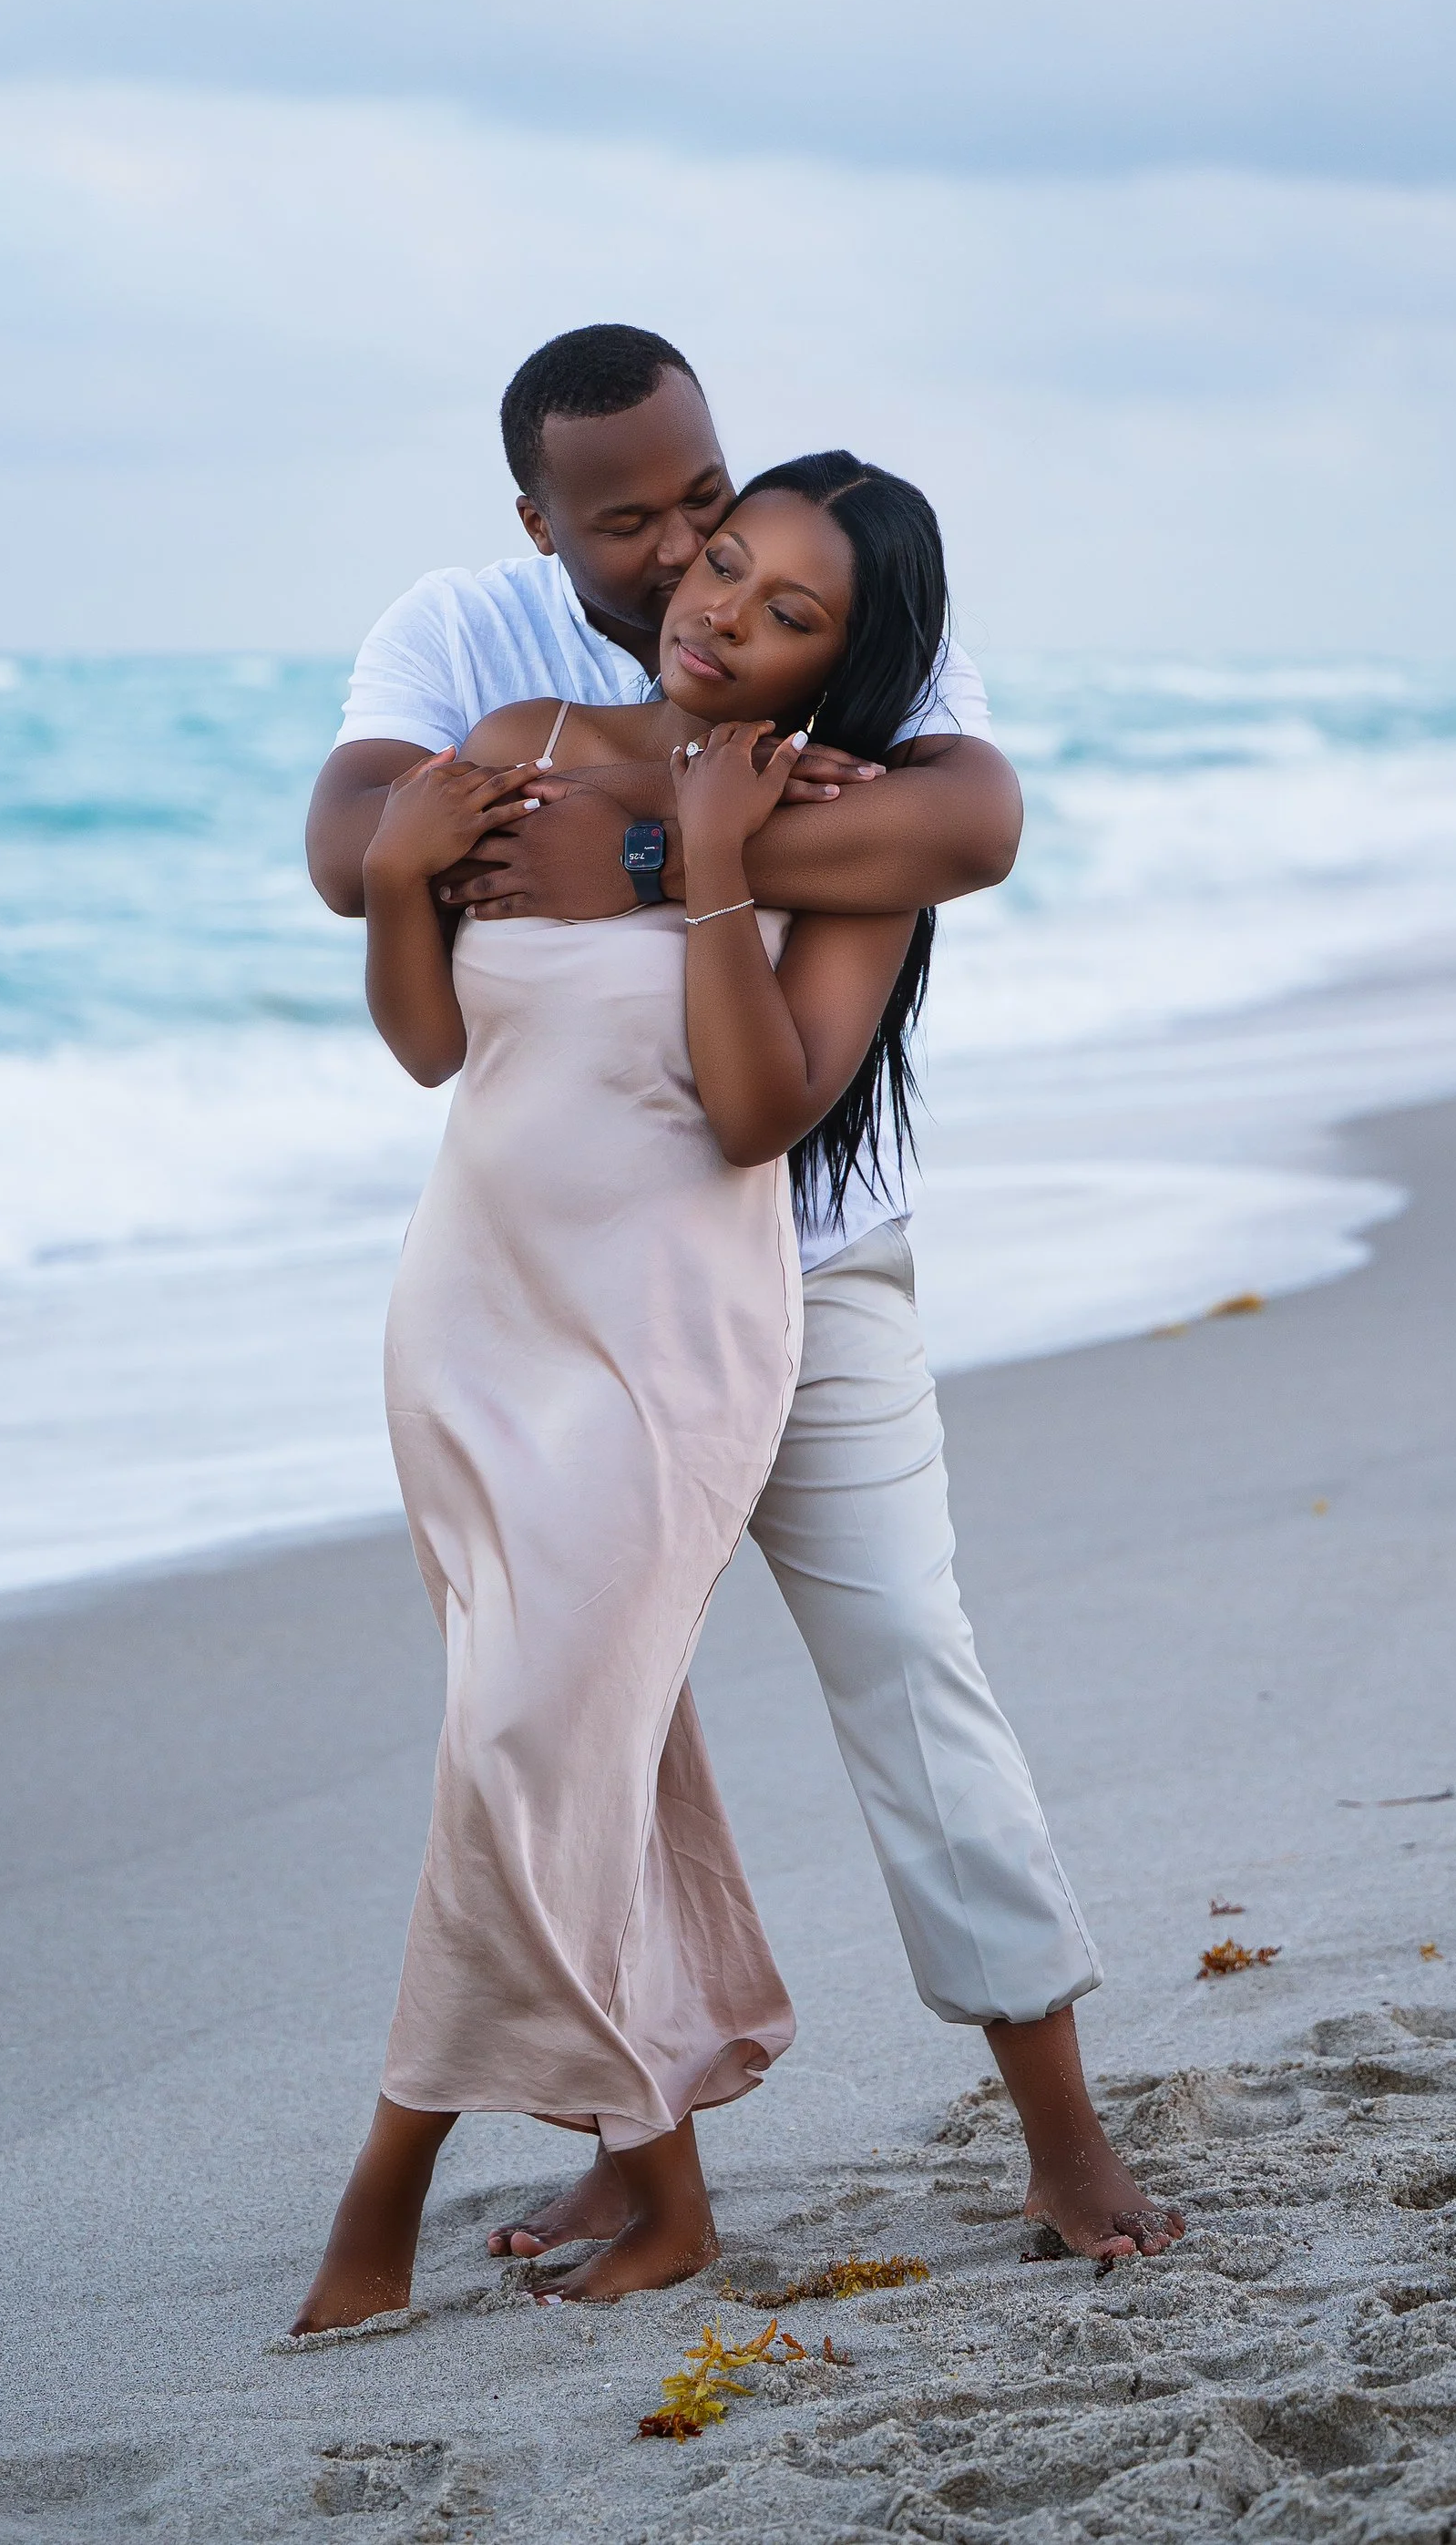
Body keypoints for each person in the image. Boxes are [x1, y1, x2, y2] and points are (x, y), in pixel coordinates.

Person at [308, 327, 1182, 2272]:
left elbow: (951, 829)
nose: (687, 554)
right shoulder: (471, 647)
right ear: (539, 525)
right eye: (640, 528)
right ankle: (632, 2147)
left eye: (702, 499)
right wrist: (476, 846)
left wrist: (646, 851)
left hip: (807, 1262)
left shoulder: (836, 597)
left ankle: (1058, 2133)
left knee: (903, 1664)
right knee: (572, 1729)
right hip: (553, 1302)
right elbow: (346, 848)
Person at [295, 455, 969, 2333]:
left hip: (669, 1339)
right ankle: (663, 2184)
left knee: (519, 1743)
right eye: (725, 564)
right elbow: (437, 1049)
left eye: (788, 613)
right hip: (468, 1318)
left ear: (850, 659)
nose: (720, 610)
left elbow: (762, 1114)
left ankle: (386, 2179)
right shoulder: (511, 737)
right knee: (584, 1748)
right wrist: (399, 886)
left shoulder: (830, 816)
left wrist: (713, 870)